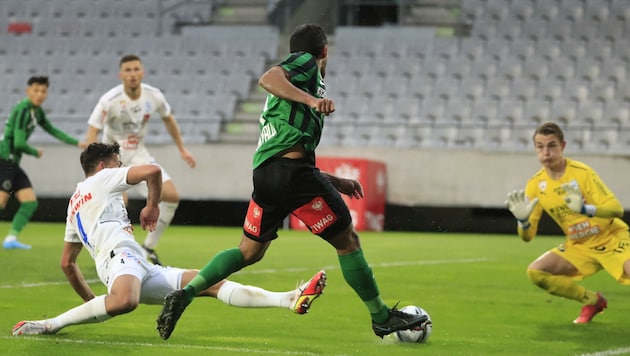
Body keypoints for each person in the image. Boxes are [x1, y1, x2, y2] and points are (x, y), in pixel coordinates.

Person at [156, 23, 427, 340]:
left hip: (267, 175)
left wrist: (332, 180)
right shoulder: (306, 64)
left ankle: (186, 294)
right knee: (347, 242)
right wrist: (312, 103)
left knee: (248, 252)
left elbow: (285, 145)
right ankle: (381, 317)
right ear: (325, 50)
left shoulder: (297, 89)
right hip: (291, 175)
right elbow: (266, 78)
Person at [11, 142, 327, 336]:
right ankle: (49, 324)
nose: (121, 170)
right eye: (118, 164)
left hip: (137, 264)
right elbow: (153, 171)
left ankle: (288, 298)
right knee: (125, 301)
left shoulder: (73, 205)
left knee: (207, 283)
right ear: (104, 165)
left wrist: (91, 304)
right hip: (121, 259)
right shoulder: (104, 177)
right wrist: (151, 206)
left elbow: (68, 263)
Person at [505, 121, 629, 324]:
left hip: (611, 237)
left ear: (562, 146)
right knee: (536, 272)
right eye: (540, 146)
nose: (546, 152)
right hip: (579, 246)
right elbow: (527, 237)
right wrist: (523, 222)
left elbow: (617, 209)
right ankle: (593, 301)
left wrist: (585, 209)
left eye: (552, 145)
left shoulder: (582, 173)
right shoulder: (535, 185)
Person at [86, 54, 194, 266]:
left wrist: (182, 149)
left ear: (142, 72)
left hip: (140, 155)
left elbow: (169, 120)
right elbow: (93, 130)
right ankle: (110, 252)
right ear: (121, 74)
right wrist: (94, 168)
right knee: (118, 204)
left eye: (136, 69)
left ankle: (148, 248)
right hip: (113, 159)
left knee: (172, 196)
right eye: (128, 70)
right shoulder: (110, 100)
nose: (132, 74)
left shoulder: (153, 96)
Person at [1, 76, 86, 250]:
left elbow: (52, 130)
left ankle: (10, 239)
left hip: (13, 162)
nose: (39, 94)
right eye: (35, 90)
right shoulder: (23, 110)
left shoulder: (37, 112)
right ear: (28, 91)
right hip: (4, 159)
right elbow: (18, 143)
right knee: (1, 202)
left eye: (43, 91)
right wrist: (35, 152)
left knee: (30, 201)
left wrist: (76, 142)